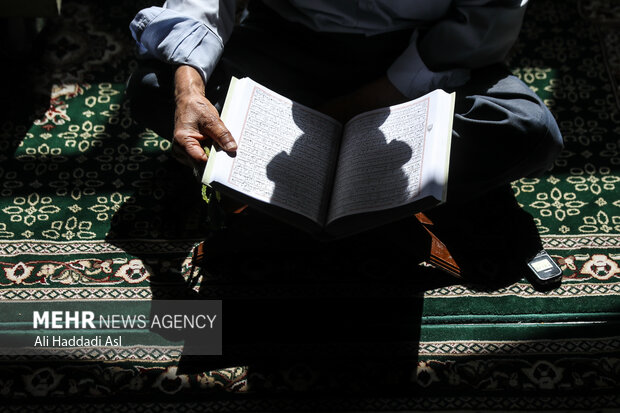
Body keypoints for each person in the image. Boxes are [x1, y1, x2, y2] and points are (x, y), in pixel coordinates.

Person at [127, 0, 563, 206]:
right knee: (156, 86)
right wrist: (191, 89)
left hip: (422, 56)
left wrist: (356, 107)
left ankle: (275, 191)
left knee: (525, 130)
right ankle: (395, 196)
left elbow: (485, 21)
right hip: (286, 41)